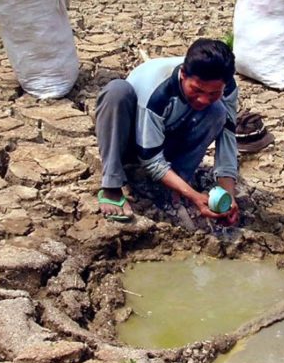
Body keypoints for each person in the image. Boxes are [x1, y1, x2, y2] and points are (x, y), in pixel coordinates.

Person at [95, 38, 240, 226]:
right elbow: (151, 159)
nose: (203, 99)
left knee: (218, 111)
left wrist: (228, 195)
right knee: (117, 91)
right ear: (182, 75)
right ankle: (111, 185)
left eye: (213, 93)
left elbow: (228, 138)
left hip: (166, 134)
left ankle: (176, 184)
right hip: (131, 140)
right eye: (196, 90)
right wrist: (195, 196)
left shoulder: (226, 87)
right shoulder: (158, 90)